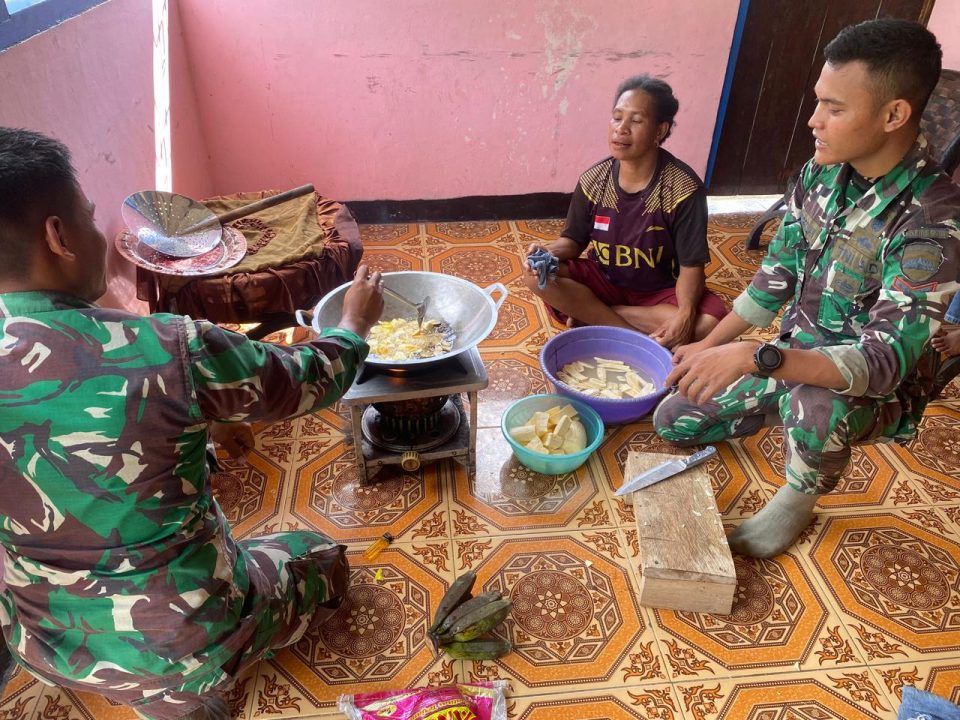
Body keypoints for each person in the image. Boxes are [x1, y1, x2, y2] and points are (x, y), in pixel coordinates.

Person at [0, 127, 384, 719]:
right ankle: (188, 686)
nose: (98, 231)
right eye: (87, 215)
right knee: (320, 559)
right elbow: (312, 376)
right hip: (180, 634)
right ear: (57, 236)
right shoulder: (167, 347)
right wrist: (354, 325)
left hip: (42, 638)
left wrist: (200, 421)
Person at [654, 18, 960, 558]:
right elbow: (778, 274)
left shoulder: (931, 221)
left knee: (819, 404)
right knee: (676, 418)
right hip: (794, 353)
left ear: (894, 115)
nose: (814, 121)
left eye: (835, 108)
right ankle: (785, 406)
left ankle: (799, 496)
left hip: (873, 385)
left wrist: (758, 358)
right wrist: (710, 345)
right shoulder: (823, 172)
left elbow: (884, 362)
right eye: (818, 102)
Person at [522, 75, 727, 350]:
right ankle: (635, 337)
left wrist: (686, 314)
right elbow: (572, 241)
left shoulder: (683, 189)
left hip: (657, 292)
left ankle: (593, 317)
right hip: (603, 280)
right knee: (537, 274)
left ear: (660, 130)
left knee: (707, 324)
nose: (622, 129)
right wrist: (548, 252)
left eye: (636, 120)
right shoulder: (593, 180)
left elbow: (692, 267)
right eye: (617, 118)